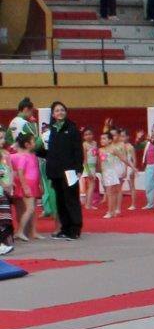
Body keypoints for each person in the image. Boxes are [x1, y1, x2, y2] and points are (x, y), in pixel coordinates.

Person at [44, 101, 84, 240]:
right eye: (57, 110)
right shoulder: (51, 130)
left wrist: (78, 168)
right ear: (53, 114)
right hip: (56, 171)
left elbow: (78, 150)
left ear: (66, 112)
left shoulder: (72, 129)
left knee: (71, 199)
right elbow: (49, 152)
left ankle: (75, 229)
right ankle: (65, 228)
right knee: (60, 201)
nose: (60, 112)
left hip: (70, 171)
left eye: (62, 110)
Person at [10, 133, 41, 241]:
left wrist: (40, 184)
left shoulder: (33, 156)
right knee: (29, 209)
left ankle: (33, 232)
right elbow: (20, 172)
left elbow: (36, 171)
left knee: (33, 209)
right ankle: (20, 231)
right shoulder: (23, 157)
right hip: (27, 184)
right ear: (27, 144)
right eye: (33, 141)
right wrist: (25, 187)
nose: (35, 143)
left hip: (33, 184)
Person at [99, 128, 125, 219]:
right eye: (101, 139)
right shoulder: (100, 150)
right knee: (110, 193)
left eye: (104, 138)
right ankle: (112, 211)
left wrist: (132, 167)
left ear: (110, 140)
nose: (102, 140)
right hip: (105, 173)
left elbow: (123, 158)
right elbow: (100, 163)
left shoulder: (113, 149)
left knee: (110, 193)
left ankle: (110, 212)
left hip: (112, 172)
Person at [139, 125, 154, 210]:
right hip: (149, 166)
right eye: (152, 131)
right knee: (148, 186)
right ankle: (151, 204)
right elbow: (138, 146)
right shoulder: (148, 142)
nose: (153, 132)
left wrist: (150, 140)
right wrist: (138, 138)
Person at [80, 128, 99, 210]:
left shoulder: (95, 143)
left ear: (93, 135)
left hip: (93, 167)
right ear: (84, 137)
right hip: (88, 167)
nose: (88, 136)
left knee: (90, 186)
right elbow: (84, 159)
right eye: (86, 135)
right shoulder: (84, 145)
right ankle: (88, 205)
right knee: (91, 186)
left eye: (90, 134)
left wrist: (97, 166)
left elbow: (96, 155)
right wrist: (88, 171)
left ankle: (88, 204)